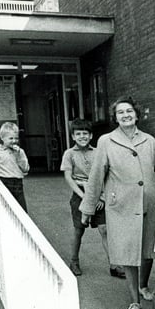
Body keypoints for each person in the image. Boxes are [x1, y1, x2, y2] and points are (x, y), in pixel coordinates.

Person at [80, 97, 155, 309]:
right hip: (122, 205)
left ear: (136, 115)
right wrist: (88, 209)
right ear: (115, 117)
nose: (125, 115)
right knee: (127, 253)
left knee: (147, 249)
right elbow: (96, 176)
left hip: (149, 203)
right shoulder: (107, 141)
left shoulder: (150, 141)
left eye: (129, 111)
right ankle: (134, 301)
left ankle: (144, 286)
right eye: (120, 113)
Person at [61, 118, 124, 279]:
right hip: (80, 195)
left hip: (99, 195)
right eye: (78, 134)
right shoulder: (69, 154)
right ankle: (74, 261)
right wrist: (85, 197)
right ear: (73, 136)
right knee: (78, 230)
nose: (82, 136)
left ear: (90, 136)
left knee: (104, 229)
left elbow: (105, 176)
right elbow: (68, 177)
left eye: (85, 134)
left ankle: (114, 264)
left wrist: (101, 198)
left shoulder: (98, 152)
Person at [0, 121, 29, 211]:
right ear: (2, 138)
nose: (14, 141)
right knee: (5, 209)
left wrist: (18, 155)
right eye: (11, 138)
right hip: (3, 182)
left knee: (22, 210)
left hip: (18, 183)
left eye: (16, 138)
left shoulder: (20, 152)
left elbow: (25, 169)